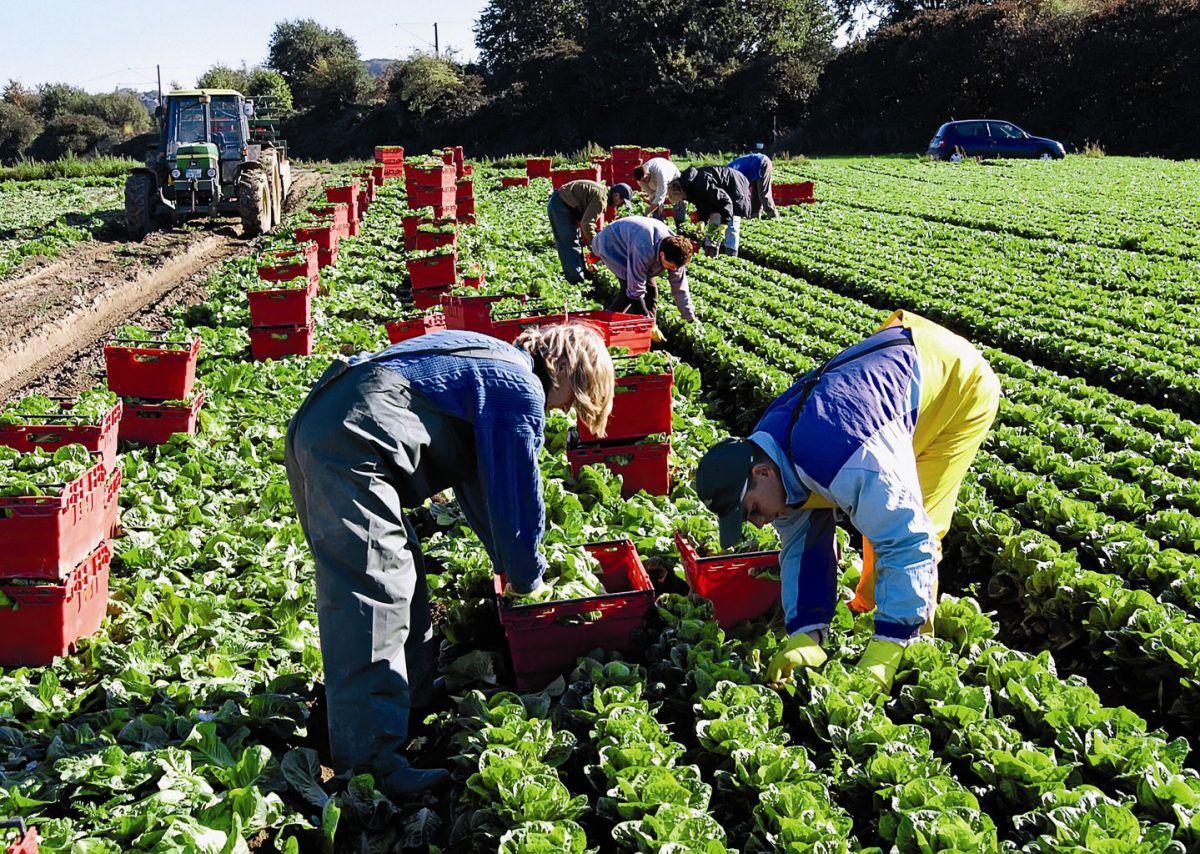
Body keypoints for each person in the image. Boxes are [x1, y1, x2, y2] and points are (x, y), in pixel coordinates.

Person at [284, 326, 615, 797]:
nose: (561, 412)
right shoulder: (520, 387)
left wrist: (506, 564)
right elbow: (516, 495)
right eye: (570, 402)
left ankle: (412, 697)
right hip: (348, 442)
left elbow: (481, 487)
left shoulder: (496, 363)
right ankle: (371, 770)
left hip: (327, 418)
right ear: (567, 373)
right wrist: (528, 579)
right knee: (373, 596)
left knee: (402, 568)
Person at [694, 310, 1000, 691]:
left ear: (761, 473)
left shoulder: (842, 453)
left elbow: (908, 538)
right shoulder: (770, 458)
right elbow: (801, 543)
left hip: (957, 384)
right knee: (878, 511)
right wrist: (806, 633)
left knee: (915, 522)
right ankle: (874, 610)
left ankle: (911, 645)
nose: (758, 522)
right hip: (891, 370)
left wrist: (887, 648)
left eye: (751, 510)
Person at [590, 215, 697, 325]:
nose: (673, 270)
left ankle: (648, 328)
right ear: (662, 255)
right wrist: (645, 319)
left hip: (633, 240)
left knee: (651, 291)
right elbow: (635, 291)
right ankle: (603, 325)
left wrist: (689, 317)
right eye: (670, 266)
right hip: (611, 243)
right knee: (628, 289)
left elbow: (680, 287)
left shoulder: (678, 253)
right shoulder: (644, 248)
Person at [547, 180, 633, 285]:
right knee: (569, 243)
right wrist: (596, 245)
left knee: (576, 241)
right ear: (616, 195)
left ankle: (582, 272)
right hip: (560, 206)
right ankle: (576, 281)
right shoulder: (601, 198)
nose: (620, 205)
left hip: (567, 206)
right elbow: (587, 224)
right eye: (622, 202)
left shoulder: (603, 193)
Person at [667, 165, 752, 257]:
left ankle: (731, 258)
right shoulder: (689, 187)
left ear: (680, 191)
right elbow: (702, 202)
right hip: (721, 195)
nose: (682, 200)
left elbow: (726, 201)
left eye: (680, 199)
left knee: (731, 226)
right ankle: (711, 256)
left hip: (735, 187)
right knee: (713, 227)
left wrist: (724, 223)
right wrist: (702, 221)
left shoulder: (701, 184)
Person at [633, 157, 686, 226]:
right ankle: (658, 224)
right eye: (642, 181)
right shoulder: (641, 182)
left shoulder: (659, 173)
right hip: (657, 182)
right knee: (655, 204)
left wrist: (647, 213)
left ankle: (680, 224)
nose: (645, 182)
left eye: (645, 179)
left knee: (677, 198)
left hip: (672, 176)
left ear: (648, 173)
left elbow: (660, 197)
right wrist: (652, 210)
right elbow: (652, 195)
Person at [728, 152, 778, 219]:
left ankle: (773, 216)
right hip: (753, 168)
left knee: (763, 194)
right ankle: (755, 217)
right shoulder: (728, 173)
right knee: (755, 195)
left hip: (761, 163)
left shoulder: (730, 174)